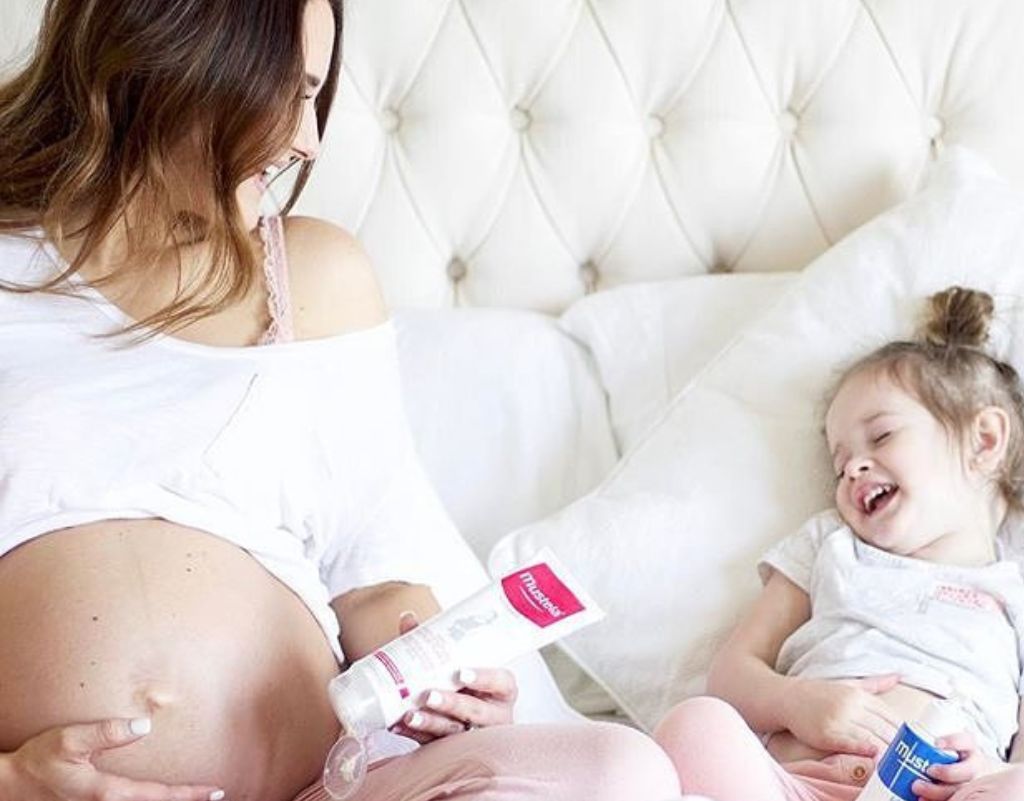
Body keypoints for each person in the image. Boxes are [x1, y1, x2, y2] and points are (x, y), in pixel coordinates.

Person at [0, 1, 684, 800]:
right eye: (289, 93)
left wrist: (444, 678)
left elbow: (377, 578)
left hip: (330, 787)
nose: (307, 139)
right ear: (177, 58)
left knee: (620, 768)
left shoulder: (315, 279)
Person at [653, 287, 1024, 801]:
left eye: (882, 437)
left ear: (983, 440)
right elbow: (732, 673)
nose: (853, 467)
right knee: (697, 724)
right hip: (796, 783)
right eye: (839, 461)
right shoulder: (830, 543)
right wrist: (794, 702)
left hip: (935, 792)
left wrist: (992, 772)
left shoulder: (1016, 591)